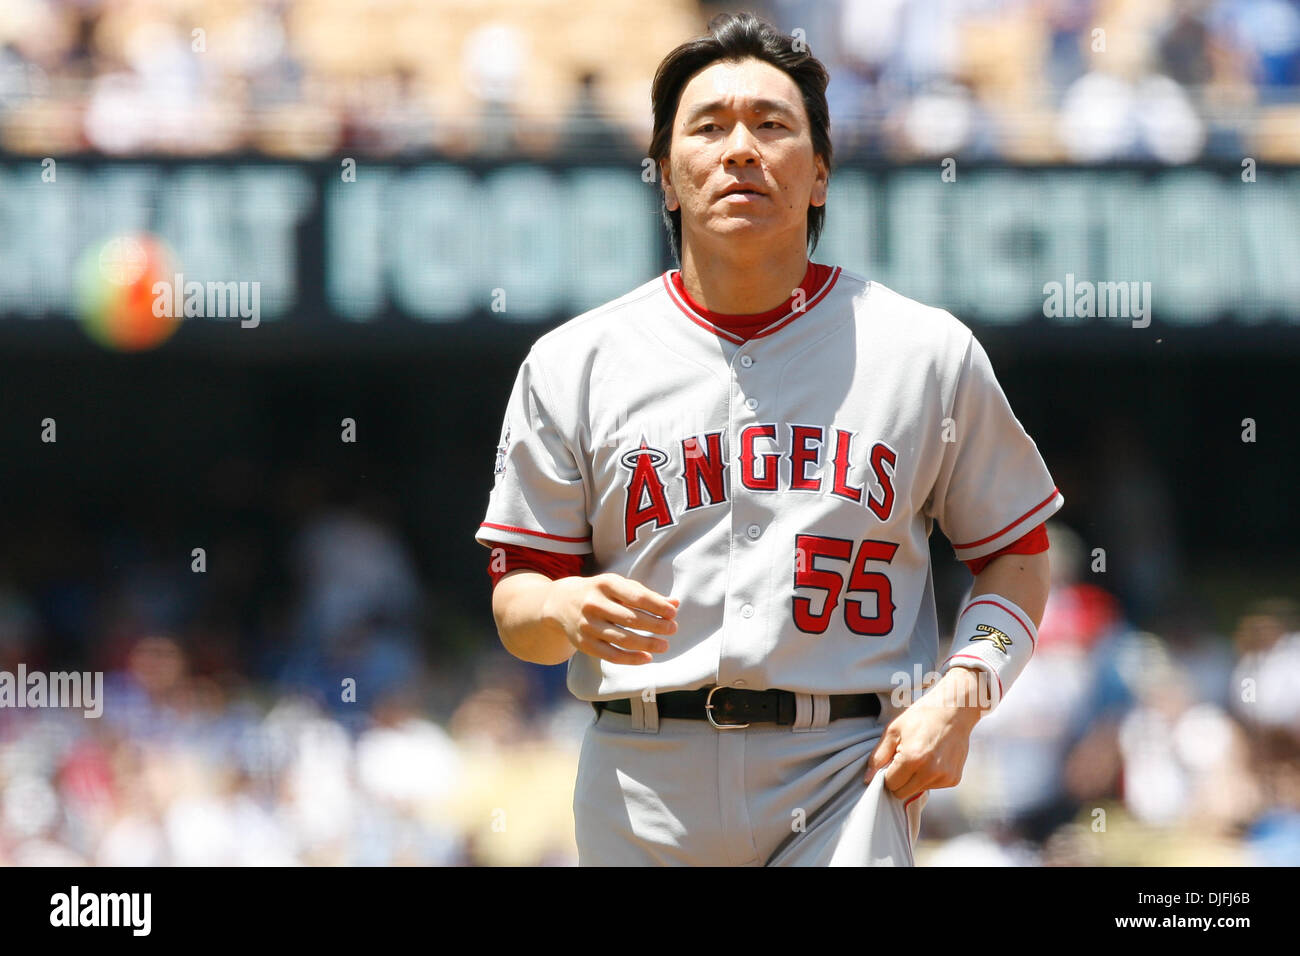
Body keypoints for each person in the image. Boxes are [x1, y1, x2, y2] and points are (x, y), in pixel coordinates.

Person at [474, 12, 1060, 866]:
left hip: (845, 771)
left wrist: (965, 691)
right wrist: (562, 605)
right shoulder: (575, 362)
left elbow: (1018, 553)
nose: (740, 148)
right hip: (642, 780)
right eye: (708, 127)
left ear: (820, 176)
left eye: (772, 125)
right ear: (667, 178)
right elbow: (516, 604)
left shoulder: (924, 352)